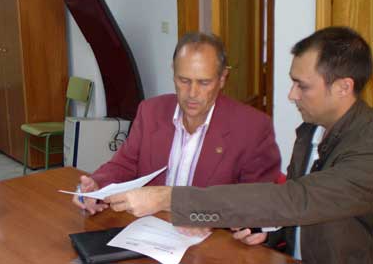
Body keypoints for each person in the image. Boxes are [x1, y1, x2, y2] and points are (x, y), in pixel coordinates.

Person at [105, 26, 373, 264]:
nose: (292, 95)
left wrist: (168, 198)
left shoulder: (367, 146)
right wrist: (265, 232)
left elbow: (295, 199)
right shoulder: (311, 131)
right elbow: (293, 217)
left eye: (301, 86)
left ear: (343, 87)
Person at [74, 32, 282, 218]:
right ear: (173, 73)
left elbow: (257, 202)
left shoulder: (253, 127)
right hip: (151, 232)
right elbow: (125, 163)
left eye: (204, 83)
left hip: (211, 242)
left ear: (222, 79)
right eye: (184, 80)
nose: (192, 93)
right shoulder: (150, 111)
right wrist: (96, 186)